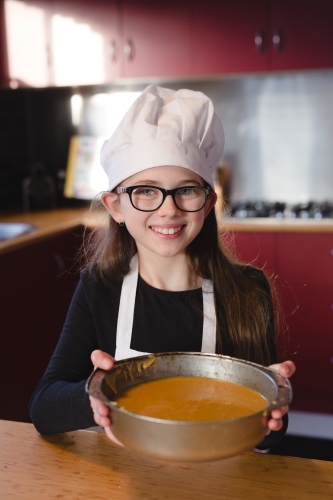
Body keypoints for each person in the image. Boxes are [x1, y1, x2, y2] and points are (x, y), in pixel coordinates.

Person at [29, 84, 295, 450]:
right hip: (124, 478)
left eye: (186, 189)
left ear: (207, 203)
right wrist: (96, 392)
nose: (168, 209)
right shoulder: (99, 287)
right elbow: (43, 408)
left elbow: (271, 435)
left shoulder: (248, 289)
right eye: (146, 191)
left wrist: (272, 404)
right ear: (116, 207)